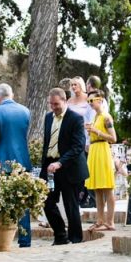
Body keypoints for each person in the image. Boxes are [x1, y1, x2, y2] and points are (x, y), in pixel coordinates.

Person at [0, 83, 32, 248]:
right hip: (23, 161)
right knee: (23, 202)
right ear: (12, 95)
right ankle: (25, 240)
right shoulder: (25, 111)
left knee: (0, 201)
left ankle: (3, 239)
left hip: (2, 162)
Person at [40, 87, 89, 245]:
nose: (53, 107)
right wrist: (46, 165)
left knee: (71, 205)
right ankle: (60, 235)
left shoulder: (75, 118)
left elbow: (78, 146)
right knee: (46, 201)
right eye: (51, 104)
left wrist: (60, 162)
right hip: (50, 168)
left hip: (70, 168)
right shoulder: (48, 118)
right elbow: (48, 144)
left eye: (56, 104)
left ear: (64, 100)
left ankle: (75, 239)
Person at [85, 91, 118, 230]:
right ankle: (100, 220)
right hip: (94, 150)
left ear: (100, 100)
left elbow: (114, 138)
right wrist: (90, 131)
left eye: (92, 100)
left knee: (107, 188)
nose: (90, 103)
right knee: (97, 188)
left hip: (103, 150)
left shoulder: (106, 117)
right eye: (88, 101)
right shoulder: (95, 116)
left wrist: (96, 132)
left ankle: (110, 222)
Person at [67, 75, 95, 208]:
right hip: (73, 139)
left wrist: (89, 140)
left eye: (75, 84)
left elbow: (92, 118)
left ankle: (88, 196)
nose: (73, 87)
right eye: (71, 85)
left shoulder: (88, 99)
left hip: (86, 137)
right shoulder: (69, 101)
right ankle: (77, 197)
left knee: (86, 168)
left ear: (81, 86)